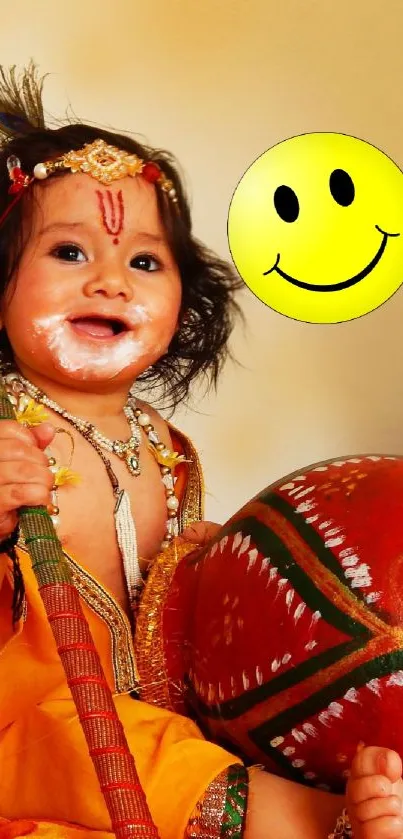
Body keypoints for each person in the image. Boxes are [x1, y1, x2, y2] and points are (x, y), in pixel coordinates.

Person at [0, 63, 401, 839]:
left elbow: (191, 603)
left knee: (242, 737)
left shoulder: (167, 447)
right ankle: (329, 824)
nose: (112, 282)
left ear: (187, 298)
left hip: (167, 714)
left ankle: (331, 804)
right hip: (37, 730)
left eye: (144, 262)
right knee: (175, 774)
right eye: (69, 254)